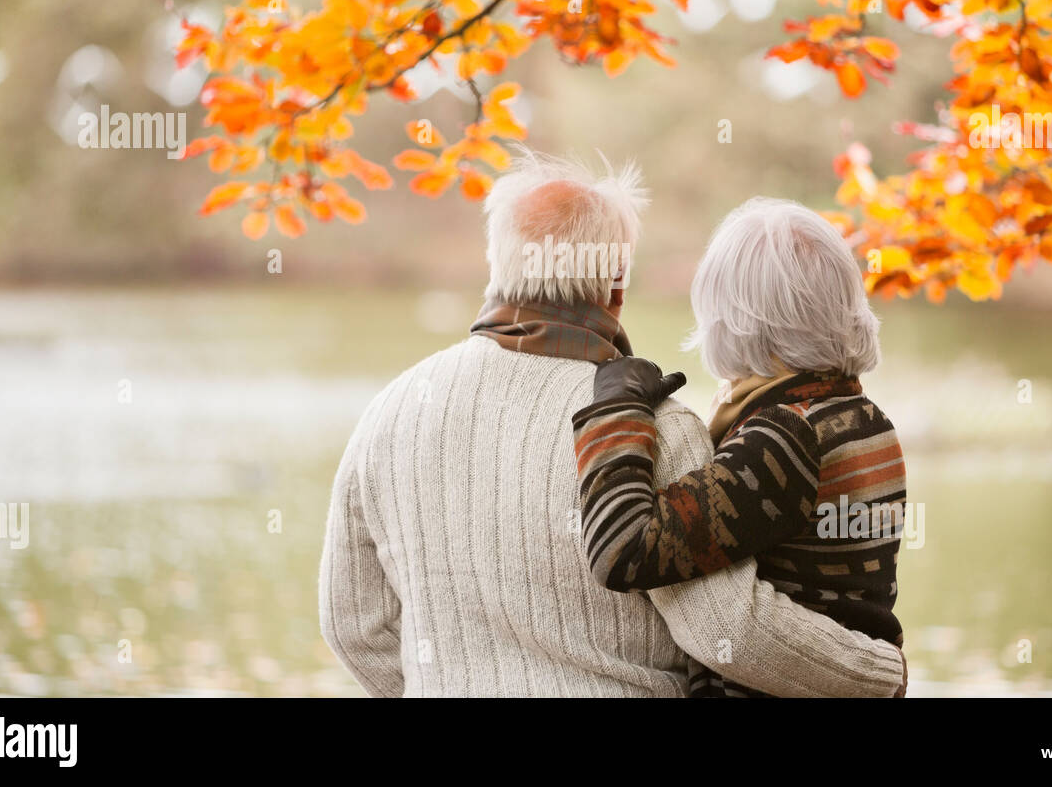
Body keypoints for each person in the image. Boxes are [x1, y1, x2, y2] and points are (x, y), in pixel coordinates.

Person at [320, 154, 905, 696]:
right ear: (616, 286)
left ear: (497, 261)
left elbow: (355, 629)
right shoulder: (661, 428)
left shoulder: (390, 410)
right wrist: (883, 670)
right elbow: (728, 632)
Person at [573, 198, 906, 696]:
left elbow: (620, 549)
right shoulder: (862, 416)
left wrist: (615, 410)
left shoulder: (786, 437)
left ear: (733, 319)